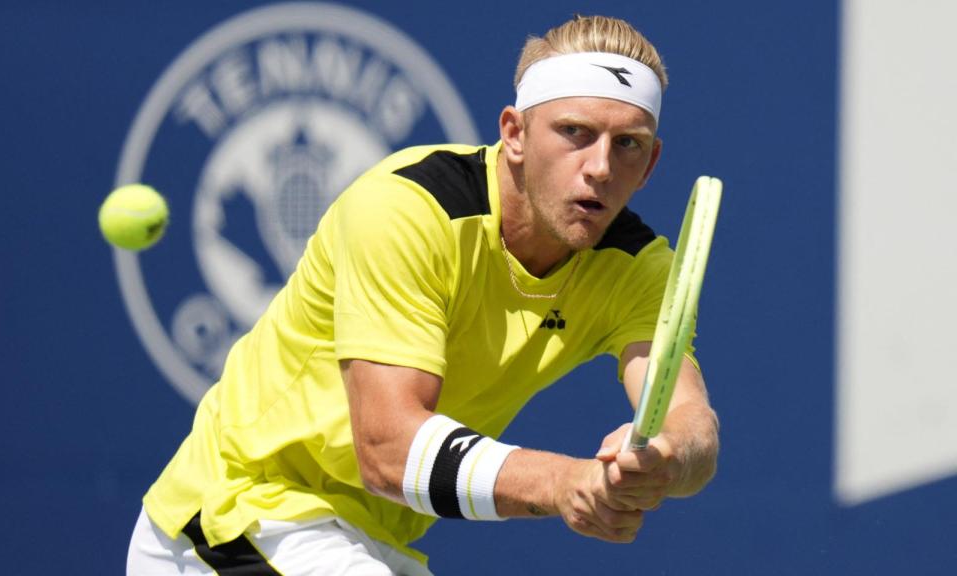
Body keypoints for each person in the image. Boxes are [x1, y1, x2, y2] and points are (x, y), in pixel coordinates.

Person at [127, 14, 719, 576]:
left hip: (362, 541)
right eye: (574, 133)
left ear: (650, 165)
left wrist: (665, 458)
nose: (598, 167)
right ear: (514, 133)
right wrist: (562, 482)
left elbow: (689, 421)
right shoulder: (408, 210)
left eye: (628, 145)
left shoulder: (640, 268)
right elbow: (387, 450)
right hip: (237, 516)